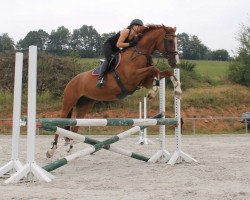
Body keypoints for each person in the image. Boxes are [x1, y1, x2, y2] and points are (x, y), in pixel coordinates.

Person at [96, 19, 144, 87]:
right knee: (110, 58)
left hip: (116, 48)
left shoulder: (135, 36)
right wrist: (131, 43)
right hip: (109, 45)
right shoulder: (126, 31)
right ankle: (100, 78)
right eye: (138, 26)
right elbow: (119, 44)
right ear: (133, 26)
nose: (140, 28)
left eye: (141, 26)